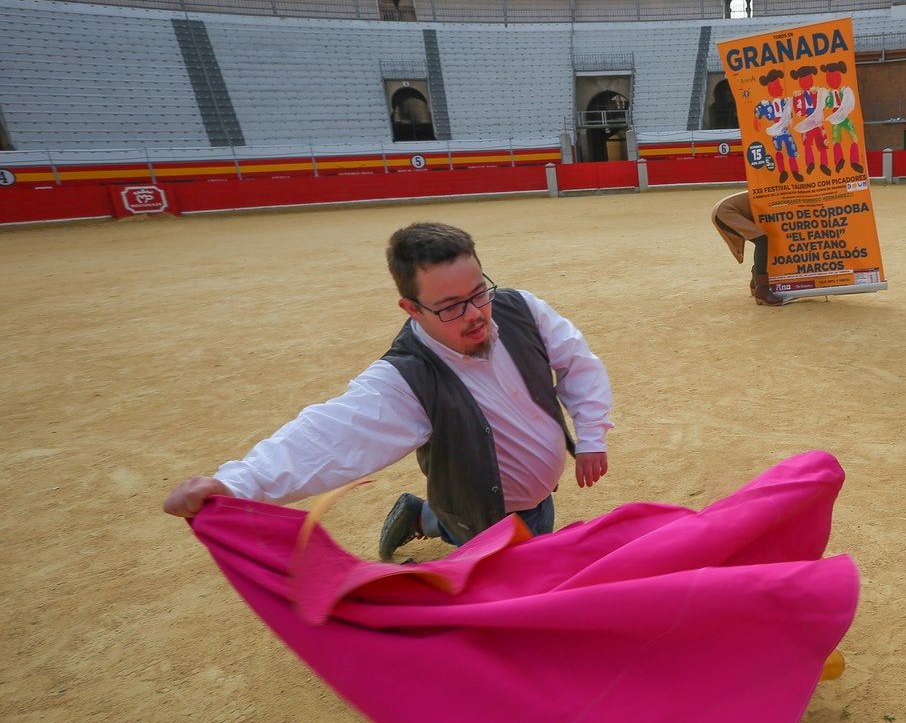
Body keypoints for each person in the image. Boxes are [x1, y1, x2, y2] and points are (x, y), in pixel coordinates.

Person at [163, 222, 613, 560]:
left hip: (537, 496)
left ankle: (422, 515)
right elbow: (327, 436)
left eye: (479, 292)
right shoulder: (405, 378)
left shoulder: (521, 308)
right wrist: (235, 484)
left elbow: (577, 363)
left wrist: (591, 436)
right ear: (411, 309)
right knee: (515, 587)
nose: (476, 314)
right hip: (486, 515)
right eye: (451, 306)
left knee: (521, 532)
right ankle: (432, 516)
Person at [712, 189, 784, 306]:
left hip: (724, 208)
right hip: (725, 211)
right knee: (761, 239)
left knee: (763, 239)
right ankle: (762, 290)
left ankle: (755, 284)